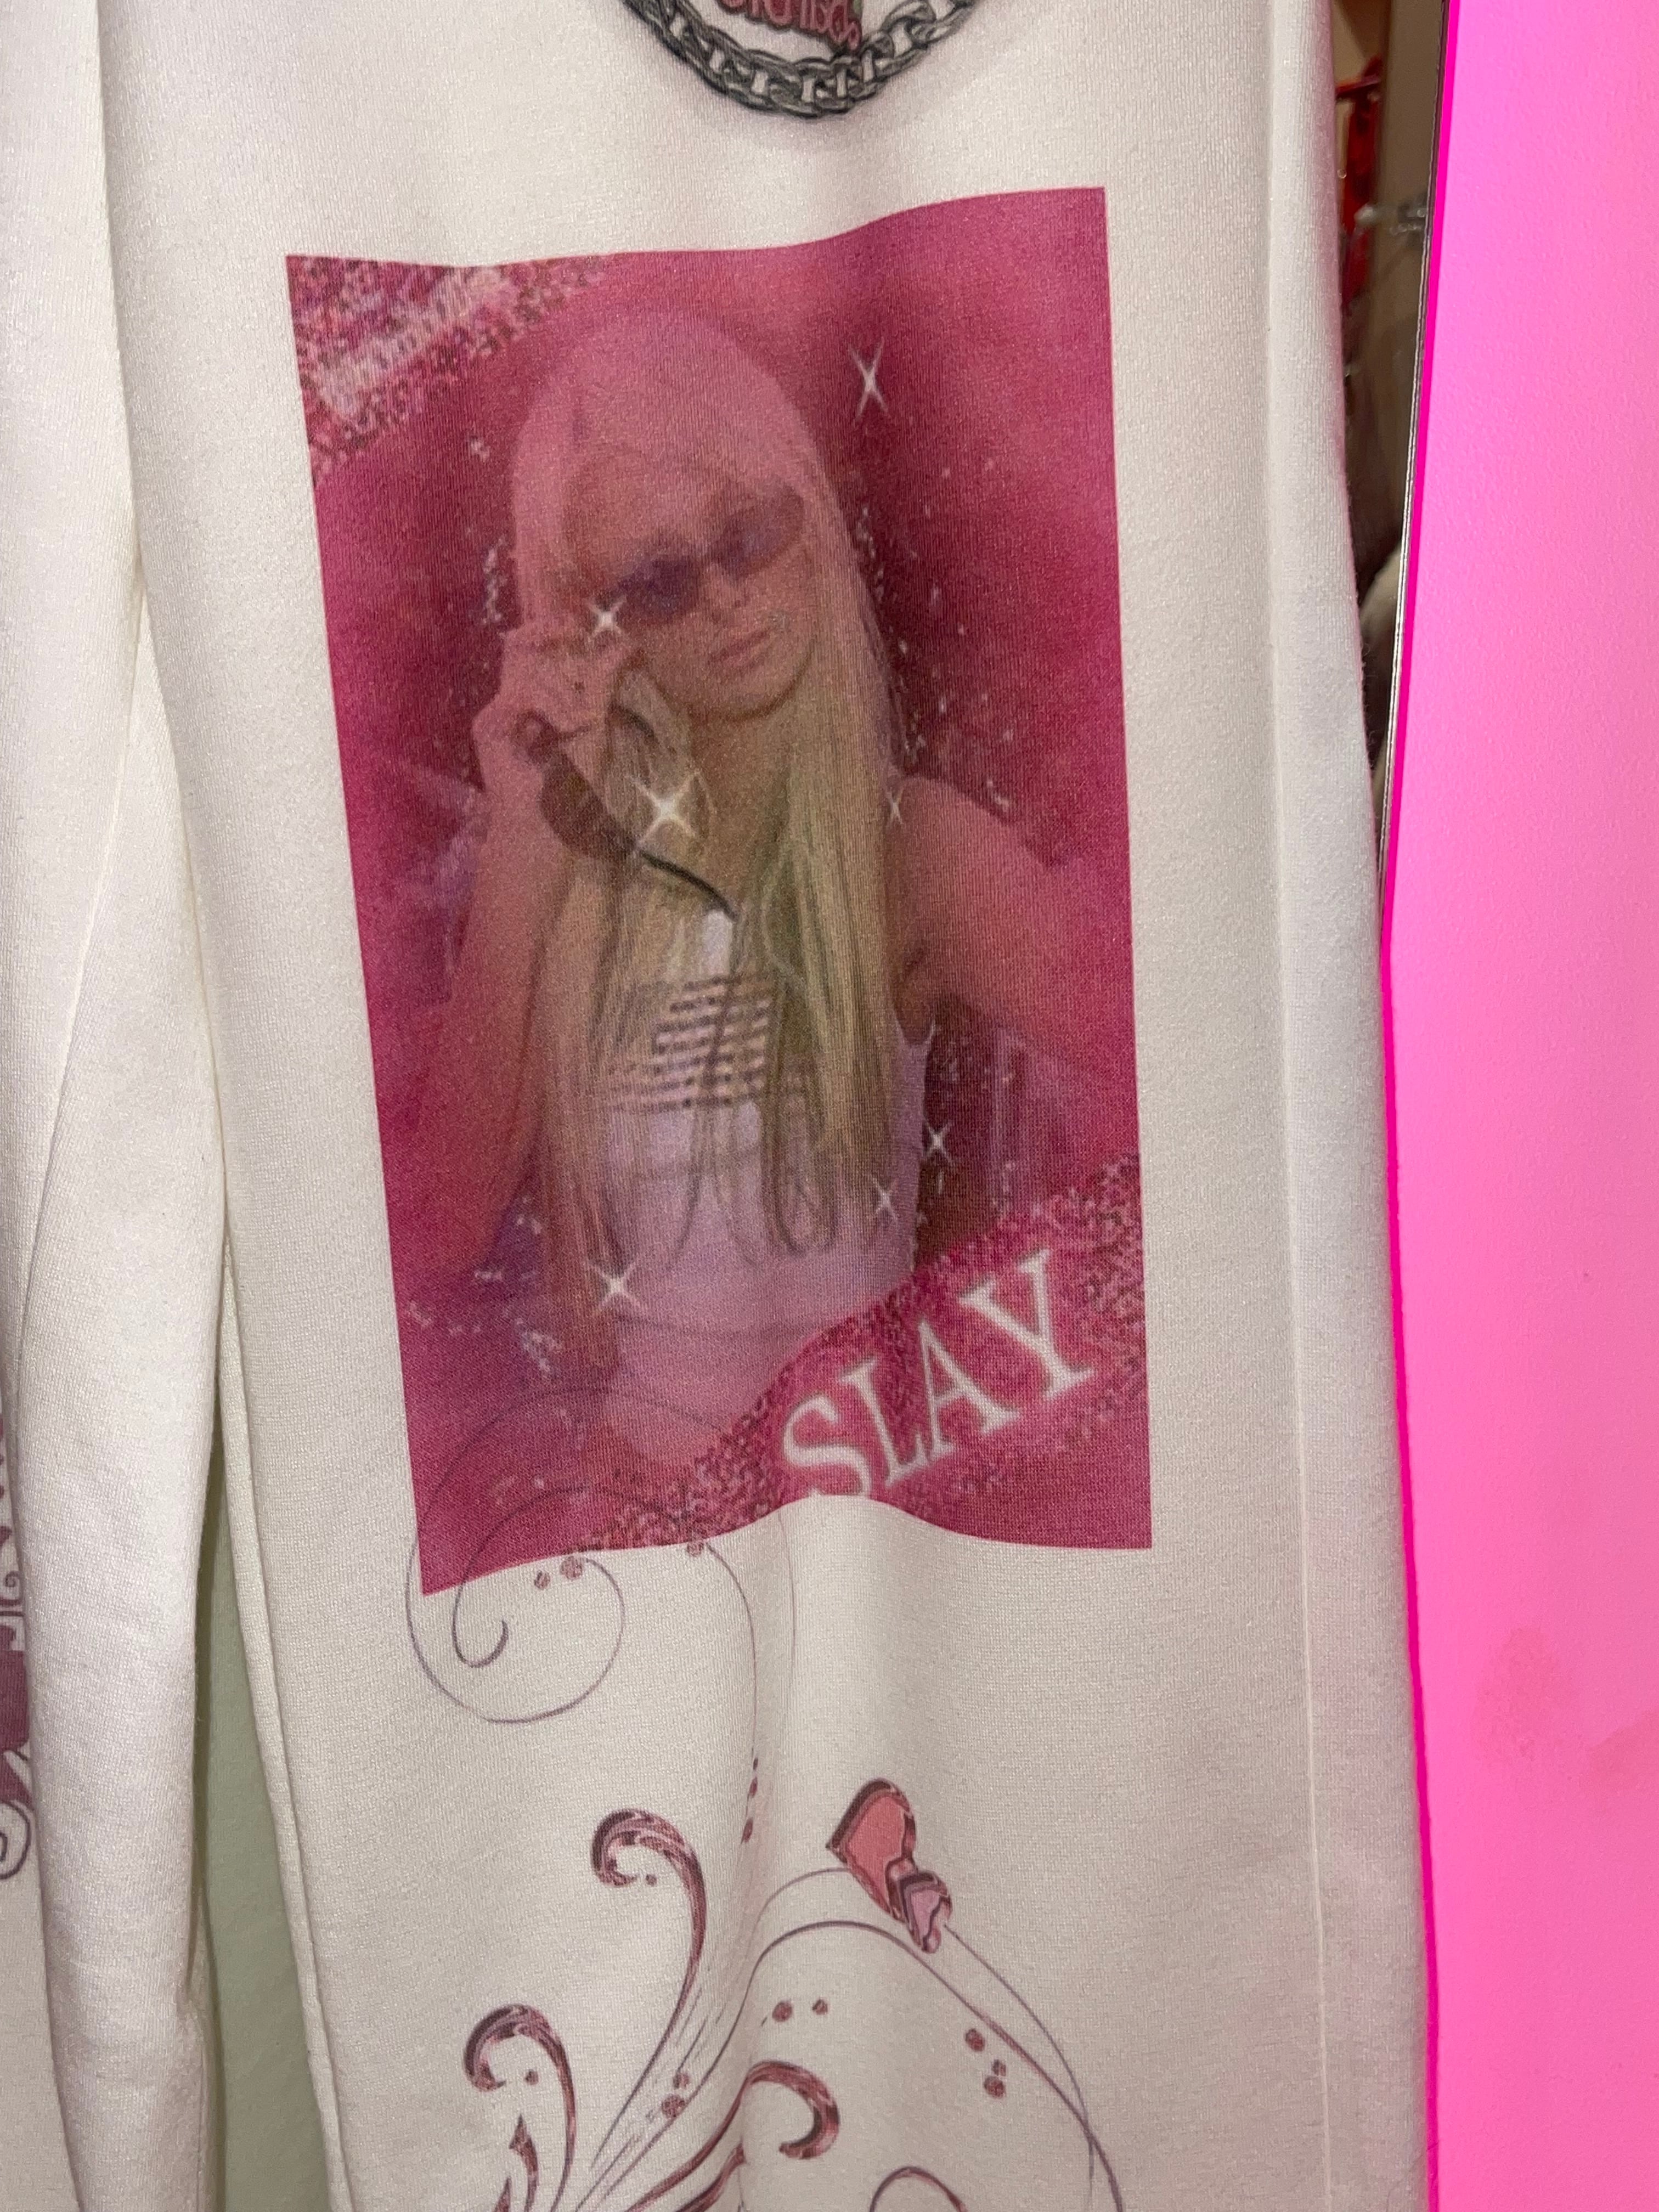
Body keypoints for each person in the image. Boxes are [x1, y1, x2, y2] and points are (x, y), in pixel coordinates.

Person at [413, 309, 1127, 1484]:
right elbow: (443, 1225)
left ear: (806, 515)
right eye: (657, 581)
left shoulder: (909, 852)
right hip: (631, 1525)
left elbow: (1200, 1060)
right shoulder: (581, 889)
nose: (725, 598)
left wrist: (1033, 1363)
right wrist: (529, 833)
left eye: (746, 530)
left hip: (850, 1529)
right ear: (595, 629)